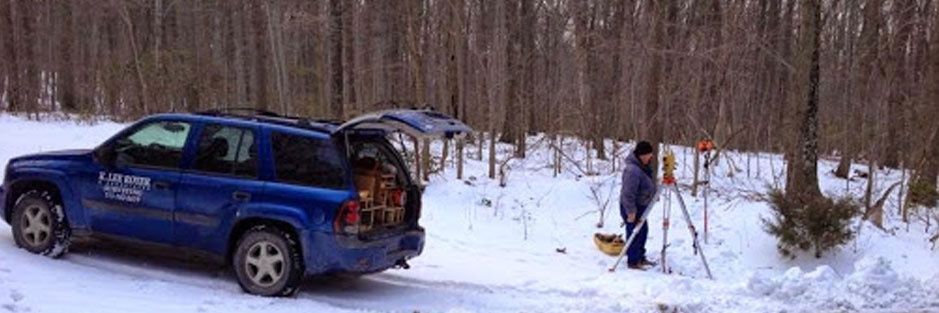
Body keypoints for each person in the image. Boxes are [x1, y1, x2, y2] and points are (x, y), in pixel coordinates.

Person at [619, 141, 658, 270]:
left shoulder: (642, 166)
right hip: (632, 207)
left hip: (641, 206)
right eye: (649, 155)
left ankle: (640, 257)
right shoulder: (632, 170)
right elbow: (627, 193)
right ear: (642, 155)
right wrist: (631, 212)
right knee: (634, 234)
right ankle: (633, 261)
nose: (651, 157)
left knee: (642, 232)